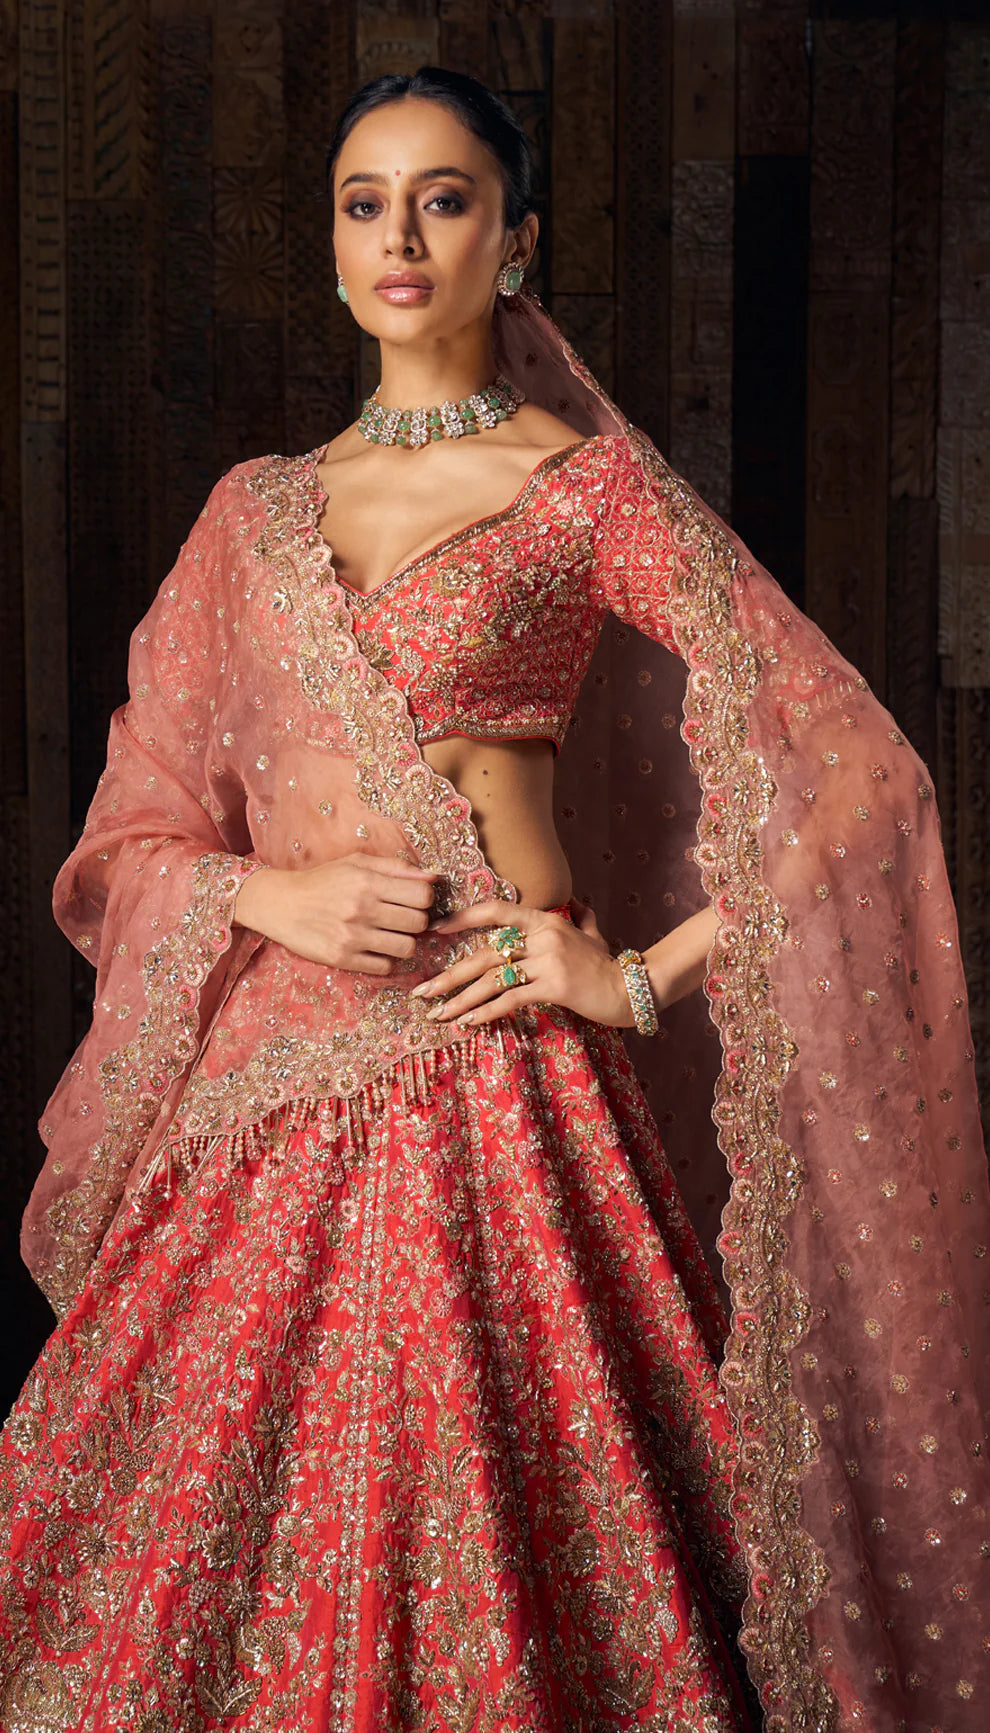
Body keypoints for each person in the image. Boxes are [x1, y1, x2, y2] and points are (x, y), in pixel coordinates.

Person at [1, 64, 986, 1733]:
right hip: (263, 1123)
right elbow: (129, 834)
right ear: (328, 248)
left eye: (443, 199)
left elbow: (857, 781)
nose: (400, 235)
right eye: (363, 202)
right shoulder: (249, 517)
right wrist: (267, 892)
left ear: (513, 245)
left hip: (507, 1097)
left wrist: (635, 981)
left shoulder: (582, 489)